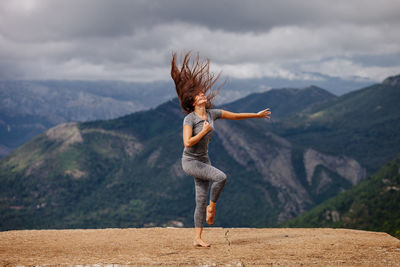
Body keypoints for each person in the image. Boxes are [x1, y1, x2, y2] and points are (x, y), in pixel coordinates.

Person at [170, 51, 271, 248]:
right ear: (193, 101)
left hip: (204, 160)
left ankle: (197, 238)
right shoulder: (189, 119)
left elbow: (235, 116)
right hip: (190, 162)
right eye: (199, 95)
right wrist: (203, 131)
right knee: (221, 177)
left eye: (202, 93)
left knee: (200, 200)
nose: (203, 95)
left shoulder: (212, 113)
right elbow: (188, 143)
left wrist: (256, 115)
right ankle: (212, 207)